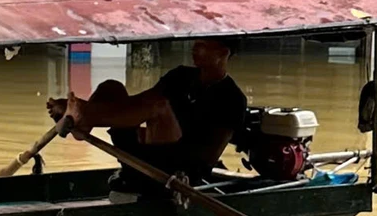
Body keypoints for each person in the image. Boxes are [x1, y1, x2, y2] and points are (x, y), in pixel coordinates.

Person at [48, 37, 248, 189]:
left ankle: (82, 114)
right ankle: (82, 121)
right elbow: (139, 102)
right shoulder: (180, 75)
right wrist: (136, 130)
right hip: (147, 152)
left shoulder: (233, 97)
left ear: (223, 53)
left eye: (203, 44)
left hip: (176, 170)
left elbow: (208, 158)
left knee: (160, 106)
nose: (195, 47)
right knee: (112, 87)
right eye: (196, 42)